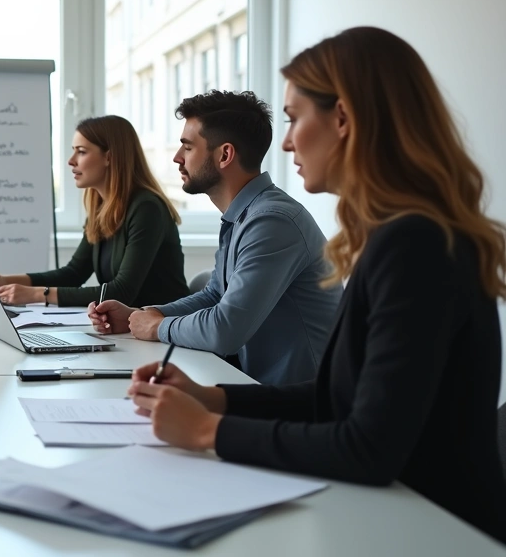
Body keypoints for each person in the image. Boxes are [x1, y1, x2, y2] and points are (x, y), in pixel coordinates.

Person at [125, 27, 506, 544]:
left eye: (294, 118)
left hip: (432, 531)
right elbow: (338, 398)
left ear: (343, 118)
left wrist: (204, 430)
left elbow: (366, 447)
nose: (284, 141)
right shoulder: (396, 234)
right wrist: (212, 398)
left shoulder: (417, 244)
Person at [89, 91, 342, 385]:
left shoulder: (272, 221)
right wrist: (144, 315)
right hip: (256, 388)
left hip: (301, 405)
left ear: (224, 155)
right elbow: (215, 296)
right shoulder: (245, 214)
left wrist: (158, 327)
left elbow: (226, 330)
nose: (177, 157)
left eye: (187, 147)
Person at [0, 115, 189, 308]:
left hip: (165, 330)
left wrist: (35, 294)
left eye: (81, 152)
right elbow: (74, 274)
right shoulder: (102, 208)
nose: (71, 161)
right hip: (131, 329)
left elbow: (121, 292)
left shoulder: (147, 209)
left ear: (109, 157)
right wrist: (5, 280)